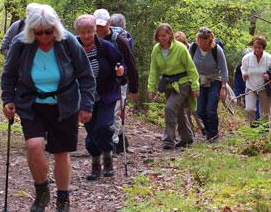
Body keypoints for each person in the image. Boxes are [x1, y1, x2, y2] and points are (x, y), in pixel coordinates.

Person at [0, 5, 95, 212]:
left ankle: (63, 199)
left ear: (55, 28)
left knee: (61, 152)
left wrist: (87, 105)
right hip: (31, 103)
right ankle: (42, 191)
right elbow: (9, 74)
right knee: (34, 146)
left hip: (65, 104)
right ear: (31, 30)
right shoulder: (21, 44)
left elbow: (86, 75)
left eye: (48, 31)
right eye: (38, 32)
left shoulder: (68, 41)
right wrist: (8, 100)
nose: (44, 37)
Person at [74, 15, 125, 180]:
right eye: (83, 32)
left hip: (106, 95)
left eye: (89, 31)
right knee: (91, 132)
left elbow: (120, 64)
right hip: (84, 99)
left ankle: (108, 157)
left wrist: (120, 72)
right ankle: (96, 164)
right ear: (78, 32)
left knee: (102, 127)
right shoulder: (73, 47)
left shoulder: (106, 47)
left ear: (94, 30)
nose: (87, 35)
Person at [147, 23, 200, 149]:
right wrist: (151, 88)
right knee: (179, 112)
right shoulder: (156, 49)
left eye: (164, 35)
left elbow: (191, 68)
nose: (162, 38)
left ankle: (168, 140)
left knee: (169, 108)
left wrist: (195, 86)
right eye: (159, 36)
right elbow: (153, 70)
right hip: (168, 85)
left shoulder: (180, 48)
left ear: (170, 34)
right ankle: (187, 138)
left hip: (182, 83)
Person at [93, 9, 138, 153]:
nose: (99, 28)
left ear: (108, 23)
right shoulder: (89, 39)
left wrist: (134, 88)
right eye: (97, 25)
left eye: (102, 25)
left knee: (114, 114)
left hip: (119, 84)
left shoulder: (119, 40)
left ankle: (110, 146)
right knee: (101, 116)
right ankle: (120, 140)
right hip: (97, 85)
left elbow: (131, 64)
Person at [189, 28, 228, 141]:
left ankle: (213, 134)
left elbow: (224, 70)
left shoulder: (217, 49)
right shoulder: (193, 47)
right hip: (199, 81)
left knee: (210, 109)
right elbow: (187, 64)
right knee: (200, 110)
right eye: (200, 39)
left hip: (214, 80)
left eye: (205, 39)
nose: (202, 42)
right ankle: (207, 130)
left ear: (210, 39)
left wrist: (223, 87)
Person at [240, 35, 271, 127]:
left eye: (259, 48)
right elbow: (243, 69)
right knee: (249, 109)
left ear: (263, 48)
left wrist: (269, 76)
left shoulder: (270, 58)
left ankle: (264, 129)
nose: (257, 50)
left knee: (265, 112)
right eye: (255, 47)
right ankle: (253, 127)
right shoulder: (246, 58)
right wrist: (244, 74)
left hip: (264, 87)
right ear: (252, 46)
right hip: (250, 86)